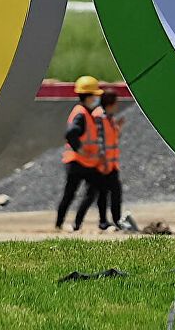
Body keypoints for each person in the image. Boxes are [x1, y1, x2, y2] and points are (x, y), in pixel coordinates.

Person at [54, 73, 105, 231]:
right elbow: (70, 133)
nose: (97, 99)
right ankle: (59, 224)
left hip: (87, 162)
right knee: (70, 194)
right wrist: (81, 150)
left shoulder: (87, 113)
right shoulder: (81, 114)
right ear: (87, 97)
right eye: (94, 96)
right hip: (76, 162)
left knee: (91, 192)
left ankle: (76, 223)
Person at [96, 90, 134, 232]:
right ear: (110, 104)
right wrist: (103, 160)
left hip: (112, 164)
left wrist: (118, 126)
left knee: (115, 193)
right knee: (102, 195)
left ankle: (117, 221)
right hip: (103, 164)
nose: (117, 106)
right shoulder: (99, 117)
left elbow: (113, 138)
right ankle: (103, 222)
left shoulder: (109, 118)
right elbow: (99, 140)